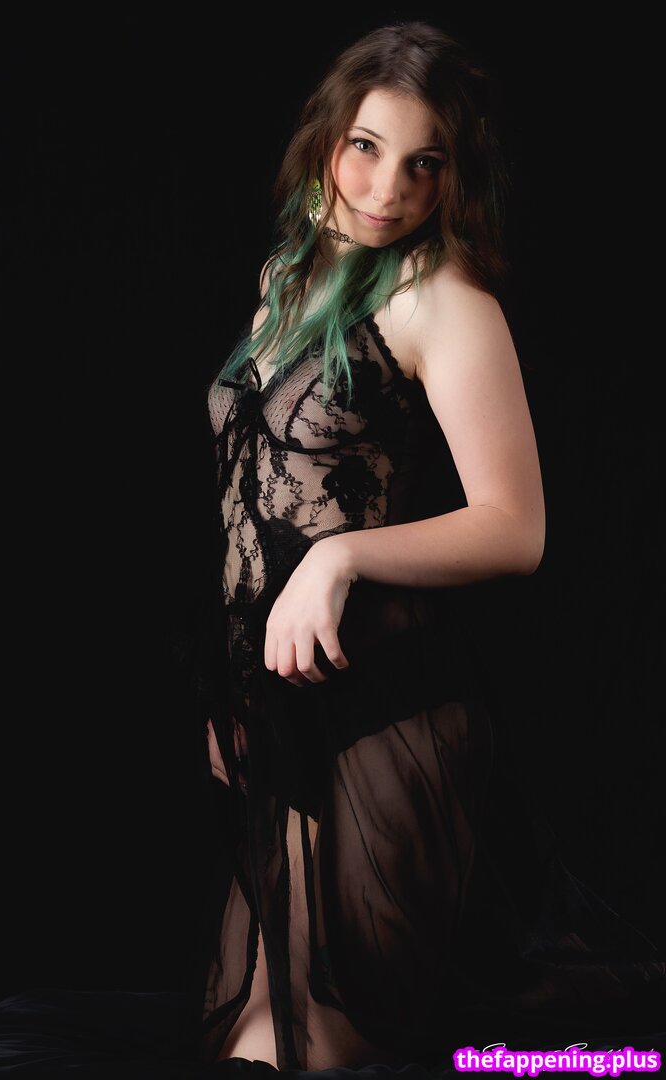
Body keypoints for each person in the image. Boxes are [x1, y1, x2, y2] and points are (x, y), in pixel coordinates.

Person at [195, 18, 666, 1075]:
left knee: (297, 1046)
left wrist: (339, 559)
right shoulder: (286, 277)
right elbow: (250, 500)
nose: (387, 188)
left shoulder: (440, 297)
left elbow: (515, 526)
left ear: (456, 174)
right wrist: (237, 696)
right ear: (326, 136)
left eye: (425, 162)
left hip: (382, 713)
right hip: (282, 708)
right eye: (366, 146)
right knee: (250, 1035)